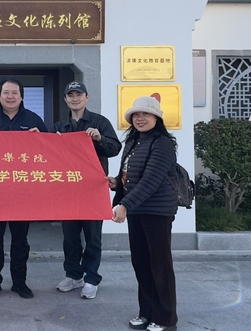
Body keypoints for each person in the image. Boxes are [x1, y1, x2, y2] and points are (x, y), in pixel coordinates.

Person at [108, 96, 179, 331]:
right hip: (137, 211)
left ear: (156, 118)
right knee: (141, 263)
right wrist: (116, 183)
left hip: (157, 212)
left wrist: (125, 205)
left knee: (160, 265)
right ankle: (146, 313)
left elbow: (151, 180)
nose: (140, 118)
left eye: (145, 114)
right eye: (136, 115)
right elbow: (131, 175)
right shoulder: (133, 141)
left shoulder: (163, 143)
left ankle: (166, 318)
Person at [0, 78, 48, 299]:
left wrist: (41, 139)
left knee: (20, 241)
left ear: (21, 96)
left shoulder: (34, 120)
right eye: (6, 92)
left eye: (14, 93)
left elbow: (49, 154)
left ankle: (19, 282)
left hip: (22, 193)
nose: (10, 96)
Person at [52, 81, 121, 299]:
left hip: (93, 189)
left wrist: (100, 138)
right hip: (67, 190)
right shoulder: (59, 126)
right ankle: (73, 275)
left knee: (93, 237)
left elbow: (115, 148)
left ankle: (91, 278)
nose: (75, 98)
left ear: (87, 97)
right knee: (70, 237)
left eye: (79, 95)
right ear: (65, 99)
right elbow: (46, 155)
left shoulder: (100, 122)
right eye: (70, 95)